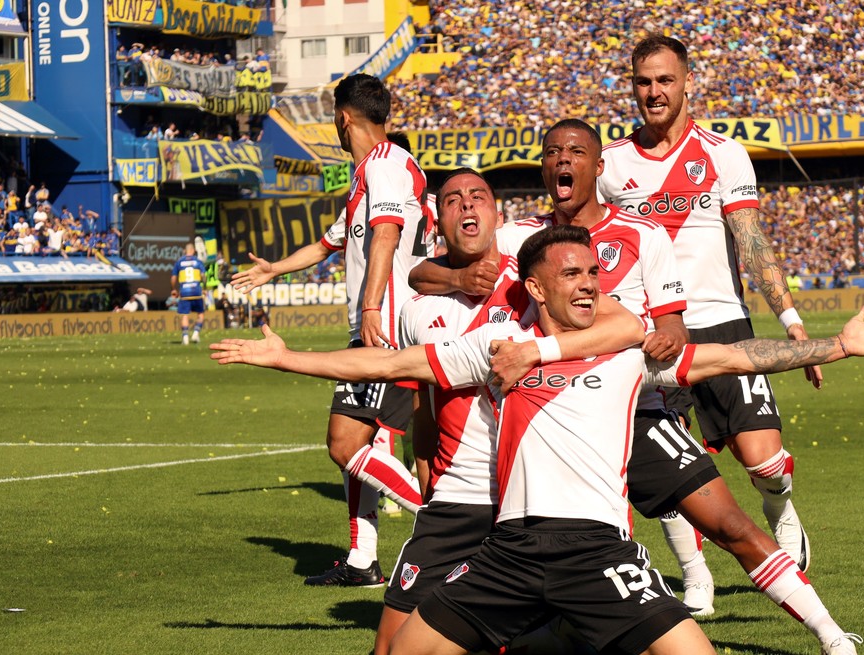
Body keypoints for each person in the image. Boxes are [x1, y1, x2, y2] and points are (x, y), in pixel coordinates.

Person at [210, 225, 864, 655]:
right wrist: (287, 358)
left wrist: (838, 346)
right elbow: (391, 365)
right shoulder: (497, 345)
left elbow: (732, 356)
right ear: (536, 287)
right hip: (507, 552)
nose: (589, 285)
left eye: (593, 274)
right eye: (571, 274)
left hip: (598, 552)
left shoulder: (628, 350)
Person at [373, 167, 644, 655]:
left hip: (525, 500)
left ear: (500, 215)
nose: (467, 205)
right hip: (457, 496)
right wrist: (425, 468)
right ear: (438, 220)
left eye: (478, 196)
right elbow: (420, 396)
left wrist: (538, 352)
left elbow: (626, 325)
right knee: (392, 645)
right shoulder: (417, 306)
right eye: (453, 200)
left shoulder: (527, 268)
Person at [599, 36, 821, 579]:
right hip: (650, 332)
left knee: (763, 459)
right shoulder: (611, 165)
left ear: (687, 83)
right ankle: (696, 578)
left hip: (721, 320)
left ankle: (779, 506)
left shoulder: (723, 153)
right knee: (666, 464)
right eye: (644, 82)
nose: (654, 92)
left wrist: (791, 320)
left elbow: (751, 242)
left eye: (665, 80)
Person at [239, 73, 432, 587]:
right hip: (382, 325)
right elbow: (328, 245)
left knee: (345, 444)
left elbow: (386, 235)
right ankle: (363, 559)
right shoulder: (372, 173)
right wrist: (274, 269)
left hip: (386, 329)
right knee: (358, 447)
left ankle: (449, 524)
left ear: (343, 118)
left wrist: (370, 306)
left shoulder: (386, 164)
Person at [173, 243, 206, 344]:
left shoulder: (179, 262)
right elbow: (203, 276)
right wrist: (204, 287)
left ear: (185, 250)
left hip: (185, 292)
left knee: (185, 315)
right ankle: (196, 333)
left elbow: (173, 278)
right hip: (196, 291)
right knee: (200, 314)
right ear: (193, 250)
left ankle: (185, 337)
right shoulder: (198, 262)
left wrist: (174, 289)